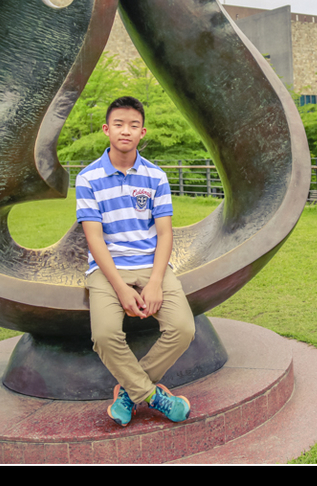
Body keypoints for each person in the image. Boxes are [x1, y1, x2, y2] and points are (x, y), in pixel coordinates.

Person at [75, 96, 195, 426]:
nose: (125, 131)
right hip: (107, 269)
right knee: (105, 334)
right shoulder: (87, 178)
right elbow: (94, 238)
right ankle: (155, 398)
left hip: (151, 265)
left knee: (183, 328)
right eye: (118, 124)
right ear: (106, 130)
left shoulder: (156, 177)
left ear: (143, 132)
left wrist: (155, 281)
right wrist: (121, 289)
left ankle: (129, 393)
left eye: (132, 125)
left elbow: (165, 234)